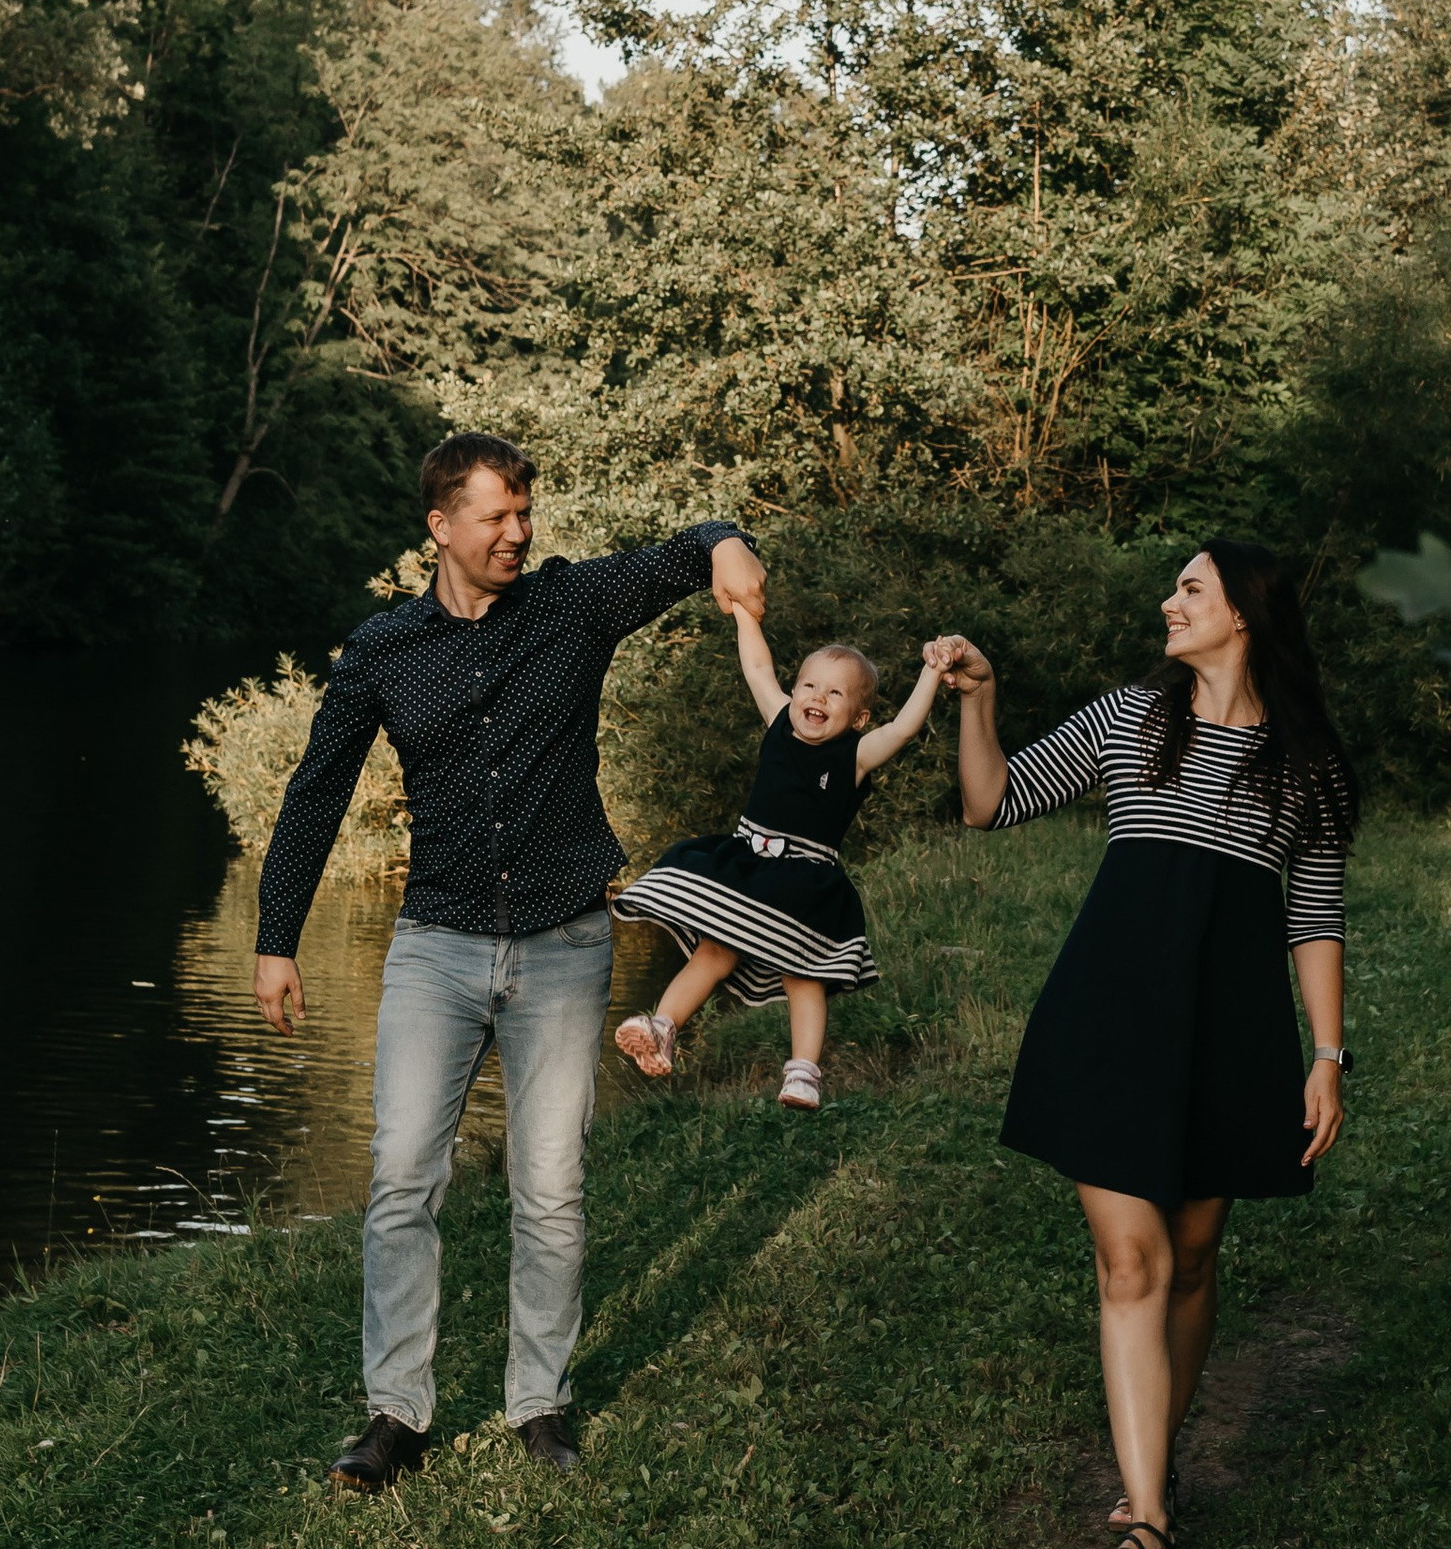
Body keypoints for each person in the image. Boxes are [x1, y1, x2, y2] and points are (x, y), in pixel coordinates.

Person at [252, 432, 763, 1493]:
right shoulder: (383, 651)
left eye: (524, 513)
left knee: (550, 1186)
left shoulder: (570, 606)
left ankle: (538, 1406)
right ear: (440, 526)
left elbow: (683, 550)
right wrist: (275, 940)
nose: (516, 534)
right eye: (494, 517)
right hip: (435, 944)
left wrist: (728, 546)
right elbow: (315, 794)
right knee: (400, 1177)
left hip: (565, 941)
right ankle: (396, 1416)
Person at [935, 540, 1353, 1549]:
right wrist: (979, 700)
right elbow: (993, 802)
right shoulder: (1130, 719)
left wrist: (1327, 1055)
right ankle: (1149, 1521)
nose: (1168, 602)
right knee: (1132, 1262)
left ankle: (1148, 1469)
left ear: (1245, 616)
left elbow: (1312, 917)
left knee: (1196, 1256)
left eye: (1191, 589)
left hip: (1230, 1029)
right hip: (1109, 1015)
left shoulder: (1307, 765)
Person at [611, 598, 943, 1107]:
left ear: (859, 717)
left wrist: (932, 671)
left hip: (805, 879)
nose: (817, 697)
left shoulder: (854, 756)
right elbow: (758, 666)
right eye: (808, 685)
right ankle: (662, 1026)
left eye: (835, 693)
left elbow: (904, 728)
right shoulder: (778, 723)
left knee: (802, 971)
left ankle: (804, 1072)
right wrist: (745, 614)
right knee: (714, 950)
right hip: (748, 864)